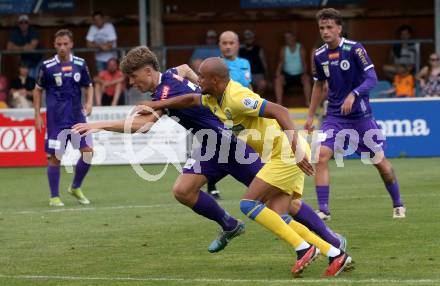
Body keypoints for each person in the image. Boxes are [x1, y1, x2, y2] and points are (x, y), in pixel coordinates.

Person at [133, 56, 353, 277]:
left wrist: (296, 150)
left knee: (249, 204)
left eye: (202, 77)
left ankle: (305, 248)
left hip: (286, 153)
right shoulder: (212, 99)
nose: (196, 79)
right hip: (276, 154)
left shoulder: (237, 97)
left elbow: (281, 112)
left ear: (217, 80)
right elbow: (189, 99)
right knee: (279, 214)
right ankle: (335, 252)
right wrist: (156, 104)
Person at [306, 8, 405, 220]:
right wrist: (310, 115)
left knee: (382, 165)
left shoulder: (355, 49)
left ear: (339, 28)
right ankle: (323, 210)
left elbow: (372, 78)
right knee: (321, 156)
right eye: (322, 28)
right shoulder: (319, 55)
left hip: (361, 118)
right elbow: (318, 86)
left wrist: (353, 94)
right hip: (334, 116)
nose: (325, 31)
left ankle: (398, 203)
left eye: (330, 27)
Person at [33, 29, 94, 207]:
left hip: (77, 117)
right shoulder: (47, 66)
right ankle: (54, 197)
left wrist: (89, 103)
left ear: (71, 44)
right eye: (59, 44)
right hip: (56, 120)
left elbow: (88, 85)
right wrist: (37, 114)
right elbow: (37, 90)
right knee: (55, 158)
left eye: (65, 44)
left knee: (88, 153)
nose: (62, 47)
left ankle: (75, 187)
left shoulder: (80, 64)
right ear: (54, 45)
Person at [274, 31, 312, 106]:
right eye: (286, 38)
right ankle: (279, 102)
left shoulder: (300, 48)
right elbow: (281, 62)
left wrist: (305, 73)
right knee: (278, 80)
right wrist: (277, 73)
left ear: (294, 38)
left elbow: (304, 62)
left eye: (289, 37)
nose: (287, 39)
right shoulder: (284, 49)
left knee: (306, 79)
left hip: (299, 74)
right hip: (287, 74)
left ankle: (308, 102)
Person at [7, 14, 42, 79]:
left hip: (37, 60)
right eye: (21, 22)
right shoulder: (16, 32)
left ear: (28, 23)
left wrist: (16, 47)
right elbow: (9, 47)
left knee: (37, 79)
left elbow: (31, 47)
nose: (23, 24)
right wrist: (23, 47)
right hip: (25, 61)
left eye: (25, 22)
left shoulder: (32, 31)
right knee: (27, 80)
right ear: (18, 24)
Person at [239, 30, 268, 95]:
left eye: (250, 38)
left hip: (257, 74)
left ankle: (256, 99)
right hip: (245, 74)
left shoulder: (258, 49)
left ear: (253, 38)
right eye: (247, 38)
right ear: (244, 39)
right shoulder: (240, 50)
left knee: (263, 84)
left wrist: (266, 75)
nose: (249, 40)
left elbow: (264, 62)